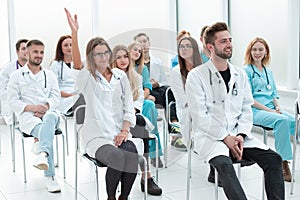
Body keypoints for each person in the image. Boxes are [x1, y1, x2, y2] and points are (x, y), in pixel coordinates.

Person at [186, 22, 284, 199]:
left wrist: (240, 135)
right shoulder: (196, 76)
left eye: (230, 39)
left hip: (239, 137)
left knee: (274, 159)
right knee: (224, 165)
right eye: (223, 41)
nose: (229, 44)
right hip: (211, 138)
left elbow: (246, 109)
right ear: (211, 47)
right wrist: (225, 138)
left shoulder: (240, 74)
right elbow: (200, 117)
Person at [65, 8, 139, 200]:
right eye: (98, 54)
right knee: (116, 157)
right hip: (96, 135)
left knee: (131, 154)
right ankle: (111, 198)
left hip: (118, 131)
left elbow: (128, 107)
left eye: (106, 52)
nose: (104, 57)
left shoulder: (120, 76)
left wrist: (124, 131)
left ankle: (124, 197)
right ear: (92, 57)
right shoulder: (88, 77)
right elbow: (77, 64)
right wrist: (75, 33)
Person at [7, 39, 61, 193]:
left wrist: (45, 107)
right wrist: (33, 108)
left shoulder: (49, 75)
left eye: (42, 52)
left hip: (50, 113)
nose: (39, 55)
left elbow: (56, 97)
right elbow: (12, 101)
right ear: (27, 52)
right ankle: (49, 174)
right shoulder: (16, 76)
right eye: (35, 52)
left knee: (50, 117)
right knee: (47, 134)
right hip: (29, 117)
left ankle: (42, 152)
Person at [111, 44, 162, 195]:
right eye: (118, 57)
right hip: (113, 118)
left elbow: (139, 100)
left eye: (125, 56)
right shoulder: (109, 78)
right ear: (113, 59)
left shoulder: (137, 77)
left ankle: (146, 177)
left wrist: (130, 113)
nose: (123, 60)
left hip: (131, 115)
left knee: (140, 123)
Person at [243, 37, 294, 182]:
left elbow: (274, 94)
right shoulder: (245, 71)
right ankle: (283, 163)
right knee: (282, 120)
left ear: (266, 52)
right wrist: (270, 111)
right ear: (250, 52)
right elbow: (250, 99)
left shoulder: (268, 72)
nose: (257, 52)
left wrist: (277, 106)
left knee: (295, 121)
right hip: (255, 111)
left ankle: (286, 158)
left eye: (260, 49)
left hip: (272, 109)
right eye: (254, 49)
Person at [134, 33, 187, 151]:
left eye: (144, 41)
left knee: (169, 90)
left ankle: (174, 131)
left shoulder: (157, 62)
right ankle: (174, 129)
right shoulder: (134, 64)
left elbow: (164, 81)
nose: (143, 44)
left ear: (149, 43)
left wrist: (157, 83)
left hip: (157, 91)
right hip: (143, 93)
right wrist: (147, 91)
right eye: (140, 42)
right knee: (166, 95)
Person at [128, 41, 164, 168]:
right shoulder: (121, 67)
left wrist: (139, 101)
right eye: (135, 49)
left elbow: (147, 89)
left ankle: (151, 147)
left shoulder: (142, 69)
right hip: (125, 104)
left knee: (149, 105)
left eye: (139, 51)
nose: (137, 52)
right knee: (151, 108)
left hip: (139, 101)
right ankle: (152, 151)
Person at [170, 36, 202, 143]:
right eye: (181, 47)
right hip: (187, 109)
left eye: (188, 46)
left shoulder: (203, 69)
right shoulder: (176, 72)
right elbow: (182, 100)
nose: (184, 49)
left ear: (195, 49)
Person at [50, 35, 84, 115]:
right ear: (60, 48)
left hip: (78, 95)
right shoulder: (55, 64)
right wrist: (72, 95)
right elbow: (54, 89)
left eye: (71, 45)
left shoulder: (80, 64)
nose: (69, 48)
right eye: (65, 45)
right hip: (64, 98)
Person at [0, 39, 28, 125]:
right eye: (23, 48)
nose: (26, 51)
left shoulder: (35, 68)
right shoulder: (8, 69)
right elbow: (2, 90)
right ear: (17, 51)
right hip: (13, 103)